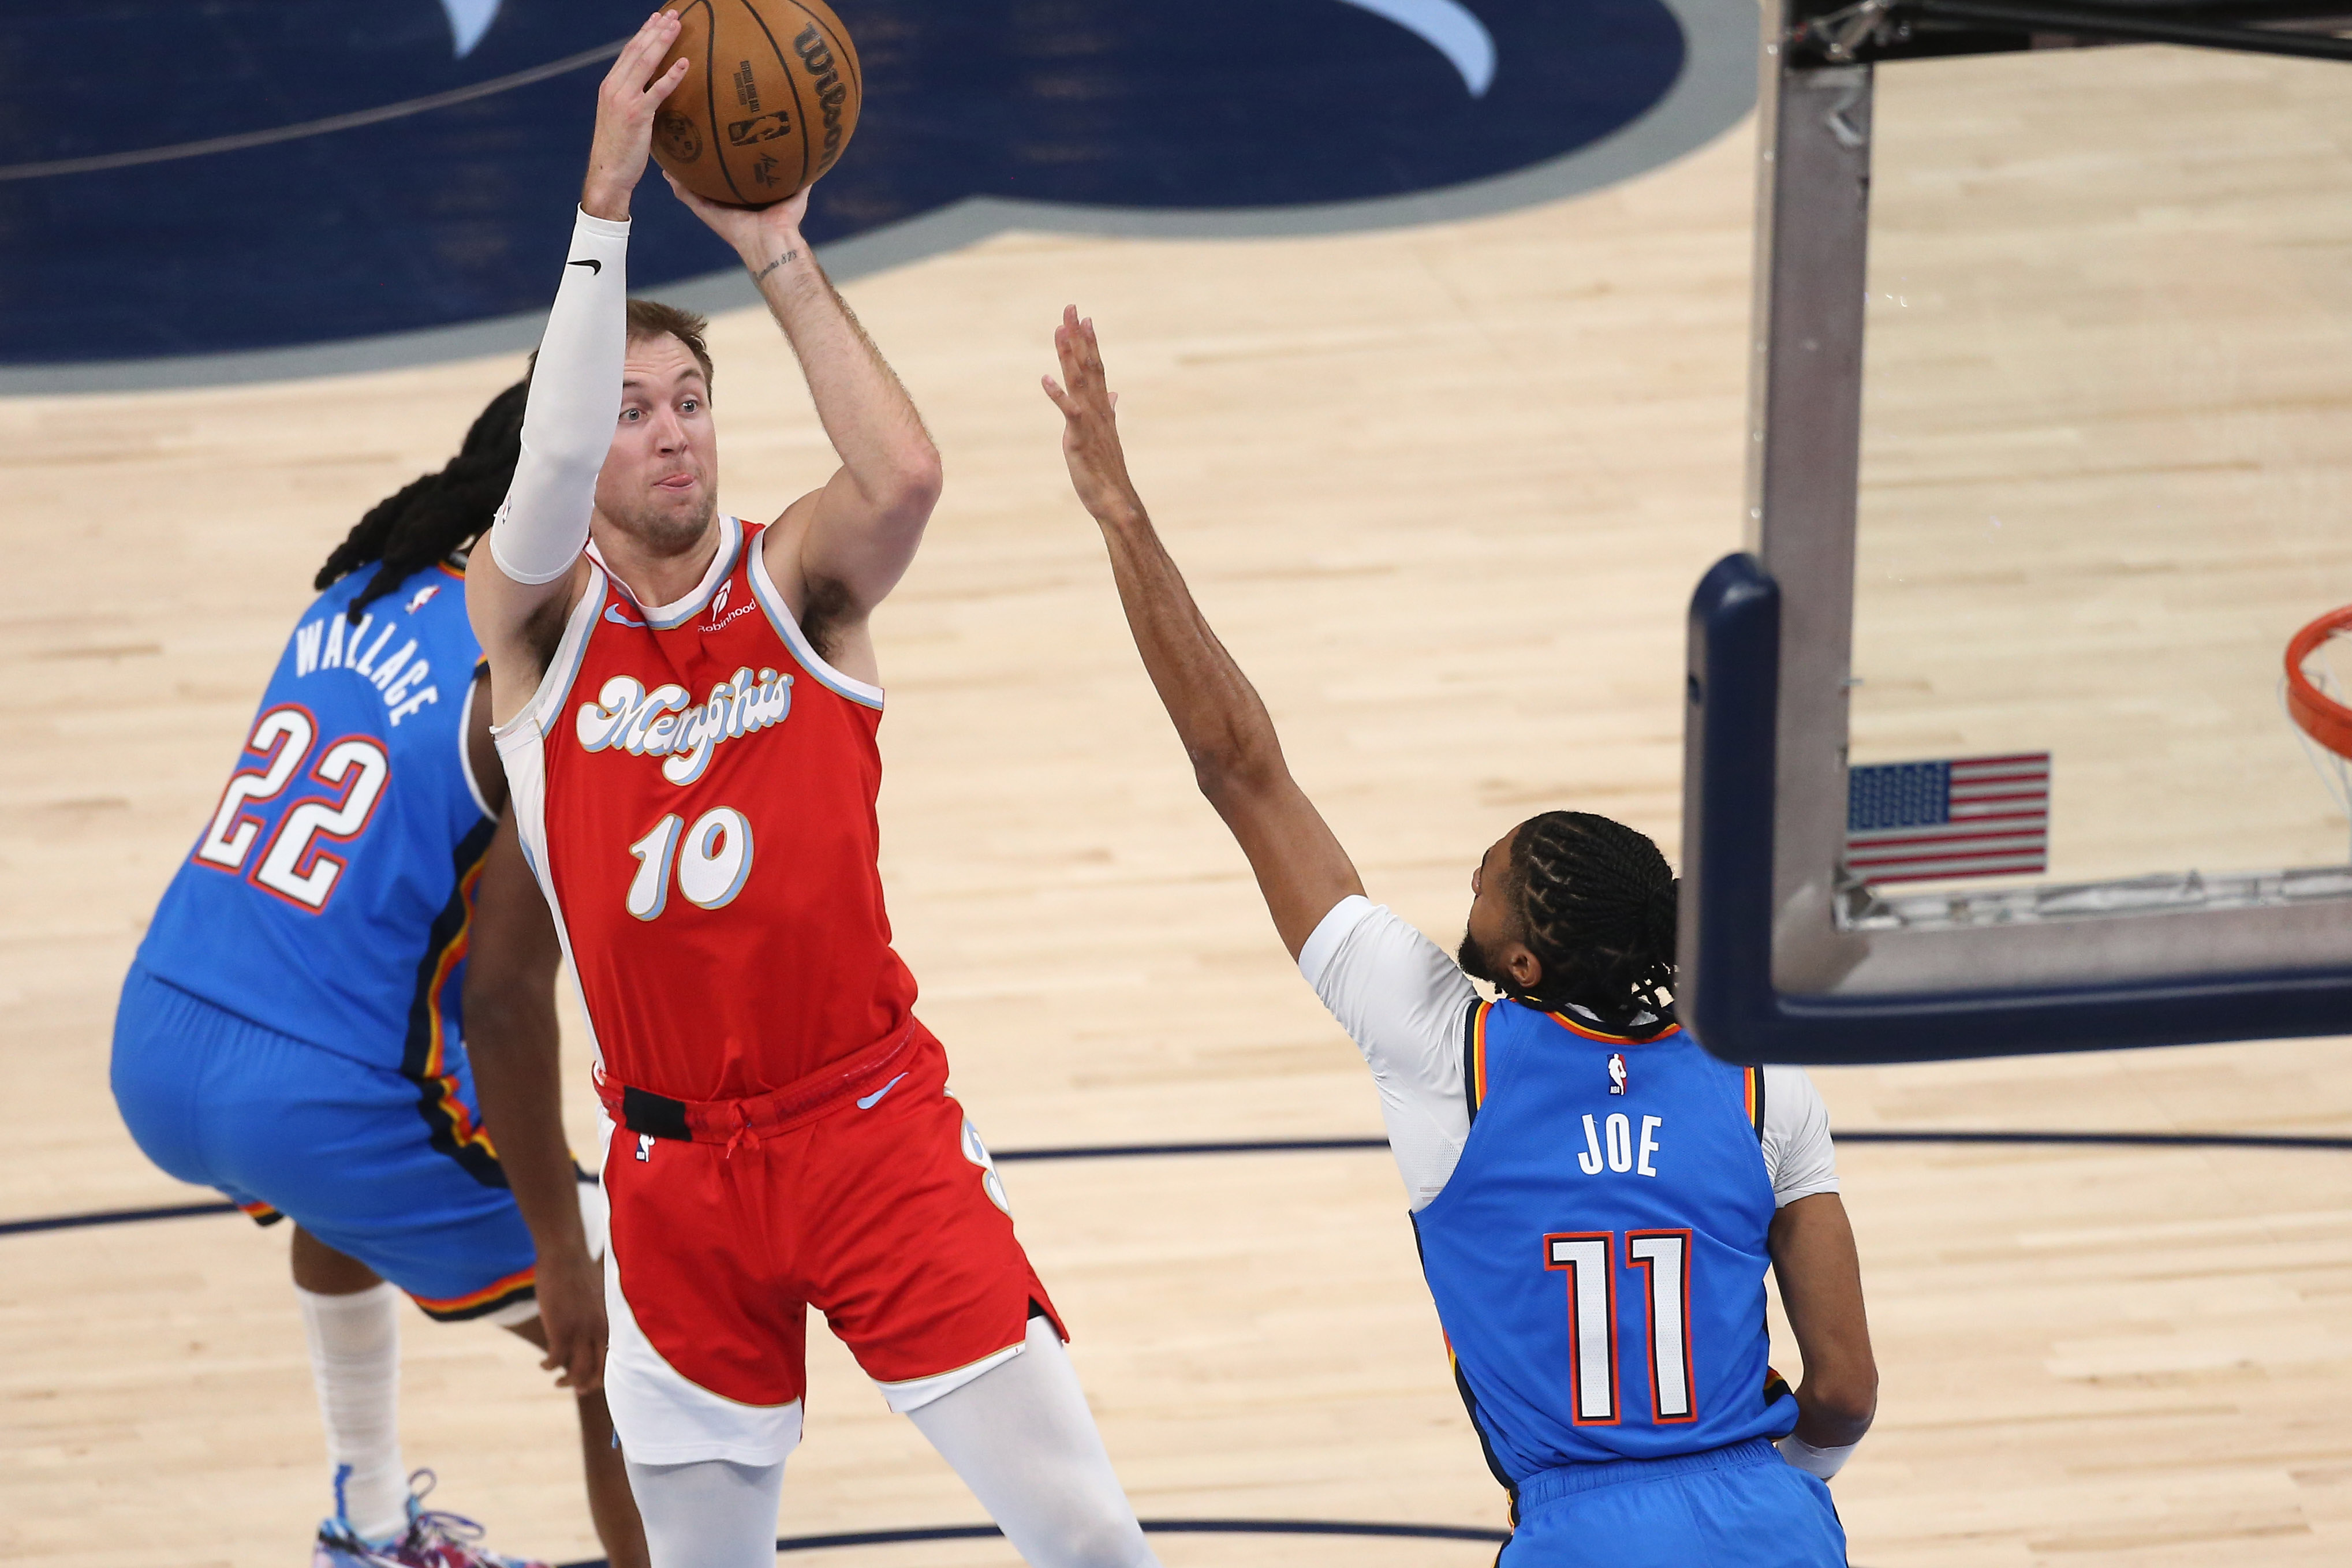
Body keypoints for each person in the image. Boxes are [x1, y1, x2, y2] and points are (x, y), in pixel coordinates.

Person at [463, 16, 1160, 1567]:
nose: (667, 433)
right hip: (673, 1177)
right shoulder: (533, 628)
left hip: (868, 1133)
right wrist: (604, 200)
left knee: (1092, 1535)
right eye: (633, 408)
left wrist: (778, 251)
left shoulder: (800, 590)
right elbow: (554, 439)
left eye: (690, 401)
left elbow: (906, 476)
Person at [1043, 309, 1879, 1565]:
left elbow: (1242, 769)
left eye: (1489, 888)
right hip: (1769, 1519)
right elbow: (1848, 1385)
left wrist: (1121, 513)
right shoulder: (1760, 1078)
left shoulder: (1449, 1045)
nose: (1468, 886)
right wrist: (1781, 1488)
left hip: (1579, 1528)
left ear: (1524, 966)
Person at [110, 382, 648, 1568]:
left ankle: (364, 1528)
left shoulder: (361, 583)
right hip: (321, 1093)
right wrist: (567, 1251)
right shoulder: (527, 671)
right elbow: (507, 997)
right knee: (642, 1334)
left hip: (160, 1034)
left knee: (342, 1202)